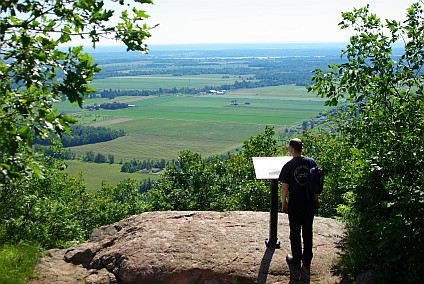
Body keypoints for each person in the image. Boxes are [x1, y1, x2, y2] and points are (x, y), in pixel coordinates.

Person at [279, 138, 318, 281]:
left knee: (295, 231)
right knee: (308, 231)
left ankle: (296, 259)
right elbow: (315, 183)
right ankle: (307, 260)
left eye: (289, 148)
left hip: (295, 202)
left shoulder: (289, 165)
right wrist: (316, 199)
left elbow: (285, 186)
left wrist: (283, 202)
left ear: (292, 149)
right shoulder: (311, 162)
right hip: (309, 201)